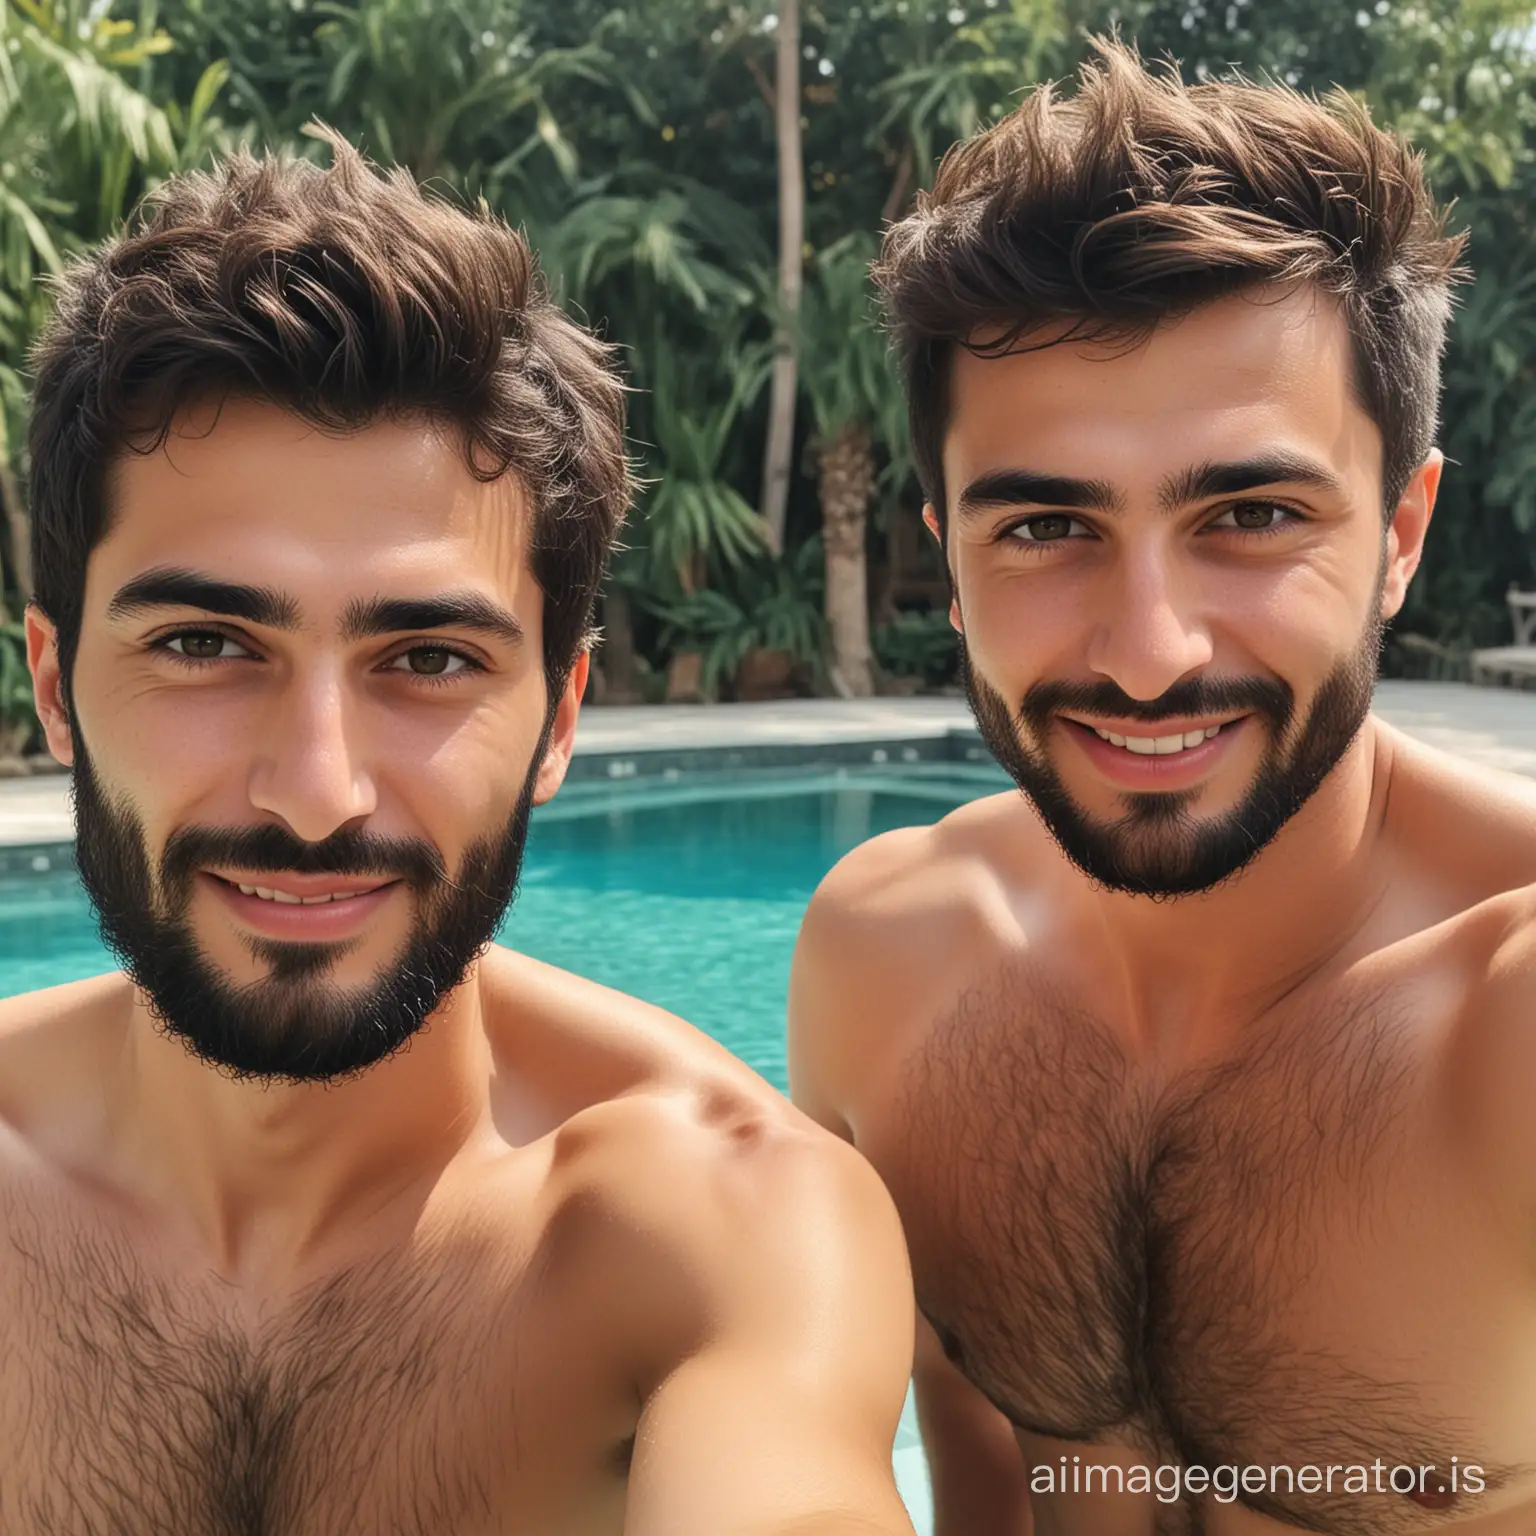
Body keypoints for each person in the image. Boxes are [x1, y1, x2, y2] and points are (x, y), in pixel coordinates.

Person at [0, 135, 917, 1535]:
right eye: (204, 642)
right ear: (58, 689)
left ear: (558, 721)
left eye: (427, 660)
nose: (317, 792)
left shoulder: (718, 1229)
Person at [789, 40, 1536, 1536]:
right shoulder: (886, 965)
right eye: (1047, 527)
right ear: (946, 547)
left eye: (1250, 514)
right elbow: (983, 1497)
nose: (1147, 655)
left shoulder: (1508, 1023)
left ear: (1400, 532)